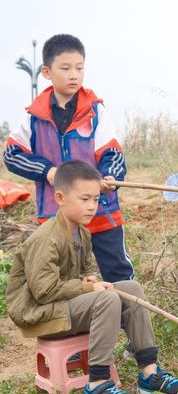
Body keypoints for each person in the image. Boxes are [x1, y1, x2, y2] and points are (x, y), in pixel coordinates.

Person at [7, 161, 178, 394]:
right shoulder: (47, 238)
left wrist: (88, 279)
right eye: (84, 199)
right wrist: (86, 289)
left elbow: (80, 271)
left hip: (63, 305)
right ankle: (97, 385)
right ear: (60, 197)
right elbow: (44, 291)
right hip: (41, 314)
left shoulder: (81, 232)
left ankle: (149, 372)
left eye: (95, 199)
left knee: (130, 288)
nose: (92, 206)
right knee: (107, 299)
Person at [3, 34, 133, 283]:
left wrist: (109, 177)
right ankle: (75, 321)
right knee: (63, 280)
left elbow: (113, 153)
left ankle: (128, 318)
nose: (74, 74)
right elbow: (12, 155)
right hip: (56, 215)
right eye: (65, 68)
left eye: (79, 68)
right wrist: (48, 171)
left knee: (119, 275)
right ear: (47, 72)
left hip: (100, 209)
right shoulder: (33, 117)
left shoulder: (95, 112)